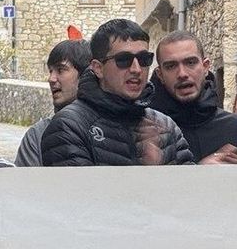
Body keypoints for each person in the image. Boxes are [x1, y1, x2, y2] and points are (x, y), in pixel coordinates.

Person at [41, 19, 194, 166]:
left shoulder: (166, 126)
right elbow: (80, 191)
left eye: (143, 59)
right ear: (98, 68)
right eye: (124, 60)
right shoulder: (69, 126)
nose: (136, 69)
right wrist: (147, 170)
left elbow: (191, 188)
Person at [149, 31, 237, 164]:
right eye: (171, 66)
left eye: (190, 62)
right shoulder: (146, 132)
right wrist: (201, 172)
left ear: (205, 67)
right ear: (160, 75)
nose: (182, 74)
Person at [15, 39, 90, 167]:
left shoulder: (110, 128)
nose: (51, 79)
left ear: (85, 74)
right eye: (50, 71)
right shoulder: (37, 135)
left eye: (60, 70)